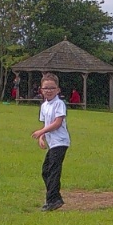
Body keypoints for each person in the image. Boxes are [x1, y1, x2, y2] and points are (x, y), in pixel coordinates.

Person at [32, 72, 70, 211]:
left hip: (60, 142)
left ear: (58, 90)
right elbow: (47, 124)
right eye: (46, 88)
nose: (48, 91)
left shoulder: (59, 104)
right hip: (52, 143)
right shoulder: (44, 106)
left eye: (52, 88)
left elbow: (57, 123)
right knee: (46, 171)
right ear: (41, 90)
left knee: (53, 170)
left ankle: (52, 200)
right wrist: (42, 137)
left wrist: (41, 132)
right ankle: (56, 197)